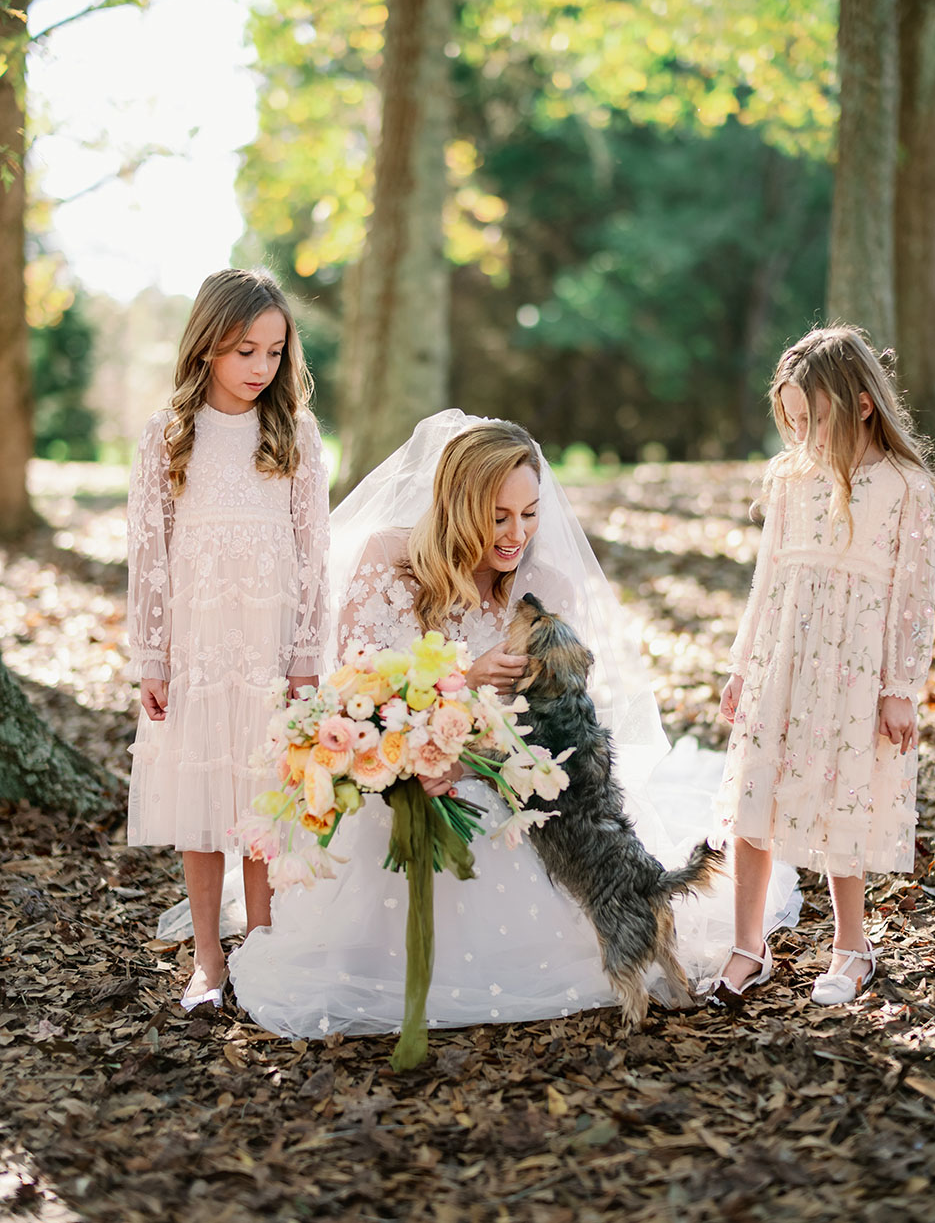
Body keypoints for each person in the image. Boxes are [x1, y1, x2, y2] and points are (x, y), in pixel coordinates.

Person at [225, 411, 799, 1037]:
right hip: (397, 763)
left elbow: (558, 724)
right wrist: (463, 685)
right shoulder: (388, 559)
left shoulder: (545, 584)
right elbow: (356, 684)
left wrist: (486, 741)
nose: (516, 534)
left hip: (508, 778)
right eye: (499, 516)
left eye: (529, 514)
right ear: (455, 506)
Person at [708, 326, 935, 1006]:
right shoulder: (788, 479)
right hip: (784, 656)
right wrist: (744, 665)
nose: (802, 435)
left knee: (844, 795)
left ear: (863, 405)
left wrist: (900, 687)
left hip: (856, 666)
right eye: (793, 422)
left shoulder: (905, 485)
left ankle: (851, 945)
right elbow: (767, 577)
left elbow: (913, 596)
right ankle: (749, 947)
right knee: (755, 791)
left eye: (814, 418)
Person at [127, 268, 330, 1012]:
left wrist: (307, 659)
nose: (260, 368)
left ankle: (265, 945)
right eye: (246, 350)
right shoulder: (168, 436)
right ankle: (207, 956)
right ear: (208, 344)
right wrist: (153, 657)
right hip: (200, 645)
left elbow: (314, 556)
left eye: (275, 352)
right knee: (203, 794)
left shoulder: (296, 435)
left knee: (263, 800)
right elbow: (150, 553)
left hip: (270, 648)